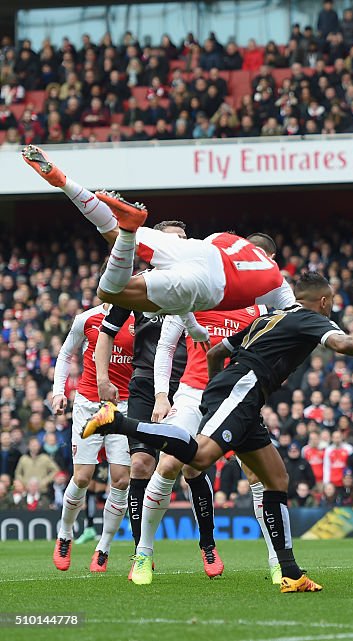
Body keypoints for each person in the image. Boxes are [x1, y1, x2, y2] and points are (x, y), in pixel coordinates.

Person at [83, 271, 353, 593]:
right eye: (331, 301)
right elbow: (342, 344)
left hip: (239, 394)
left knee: (276, 478)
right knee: (200, 458)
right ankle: (119, 423)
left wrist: (217, 387)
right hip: (241, 392)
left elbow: (218, 351)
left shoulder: (268, 317)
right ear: (324, 301)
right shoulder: (310, 319)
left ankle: (290, 573)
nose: (332, 306)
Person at [21, 145, 295, 316]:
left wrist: (196, 329)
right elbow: (297, 315)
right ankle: (130, 230)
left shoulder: (228, 239)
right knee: (108, 292)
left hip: (201, 250)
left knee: (111, 230)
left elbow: (206, 250)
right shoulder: (274, 277)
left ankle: (65, 183)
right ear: (269, 254)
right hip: (210, 286)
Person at [120, 304, 272, 586]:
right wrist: (163, 395)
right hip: (191, 395)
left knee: (257, 474)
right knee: (168, 464)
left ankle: (278, 562)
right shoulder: (195, 298)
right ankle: (143, 553)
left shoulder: (257, 307)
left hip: (235, 398)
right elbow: (165, 346)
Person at [93, 220, 188, 571]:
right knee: (139, 464)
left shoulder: (198, 284)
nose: (180, 245)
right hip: (146, 384)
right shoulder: (136, 285)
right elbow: (107, 332)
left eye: (184, 239)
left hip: (189, 385)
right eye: (173, 239)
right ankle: (140, 554)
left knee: (193, 467)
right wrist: (103, 377)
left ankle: (208, 547)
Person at [50, 303, 135, 573]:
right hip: (88, 403)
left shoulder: (140, 319)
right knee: (83, 476)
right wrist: (57, 391)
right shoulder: (86, 319)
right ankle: (65, 534)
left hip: (124, 405)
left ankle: (104, 547)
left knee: (121, 479)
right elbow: (65, 354)